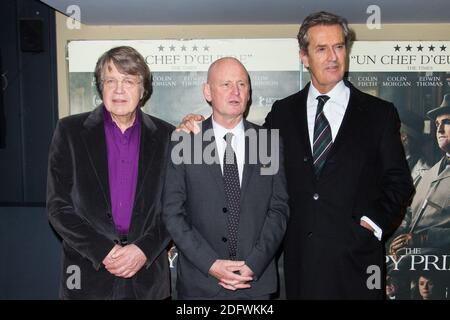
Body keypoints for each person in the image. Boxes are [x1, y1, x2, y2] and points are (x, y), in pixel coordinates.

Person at [179, 12, 414, 299]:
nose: (333, 57)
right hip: (299, 264)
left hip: (358, 265)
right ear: (304, 56)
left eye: (339, 47)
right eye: (321, 48)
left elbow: (399, 181)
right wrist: (195, 126)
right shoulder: (282, 112)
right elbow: (242, 148)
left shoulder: (379, 113)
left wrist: (370, 225)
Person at [47, 46, 173, 299]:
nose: (118, 89)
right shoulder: (69, 131)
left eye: (128, 81)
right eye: (110, 80)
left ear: (143, 89)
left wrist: (143, 250)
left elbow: (175, 207)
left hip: (147, 278)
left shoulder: (168, 137)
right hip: (86, 275)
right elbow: (58, 206)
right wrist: (104, 250)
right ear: (100, 86)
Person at [163, 57, 289, 299]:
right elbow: (172, 213)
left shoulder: (267, 142)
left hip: (255, 283)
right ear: (207, 92)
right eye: (226, 84)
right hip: (201, 284)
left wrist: (253, 264)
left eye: (242, 84)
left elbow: (279, 210)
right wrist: (211, 264)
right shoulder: (185, 141)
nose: (235, 92)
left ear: (249, 93)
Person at [390, 94, 450, 258]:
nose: (439, 129)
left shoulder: (423, 171)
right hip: (411, 264)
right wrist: (398, 240)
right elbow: (410, 215)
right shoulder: (429, 175)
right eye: (437, 123)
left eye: (446, 122)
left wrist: (424, 238)